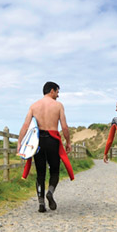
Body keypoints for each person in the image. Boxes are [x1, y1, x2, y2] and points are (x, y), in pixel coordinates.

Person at [18, 81, 73, 212]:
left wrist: (20, 142)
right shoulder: (58, 106)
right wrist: (68, 142)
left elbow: (25, 125)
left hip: (38, 142)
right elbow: (64, 127)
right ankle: (50, 192)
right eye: (57, 92)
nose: (58, 95)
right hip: (53, 140)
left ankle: (41, 203)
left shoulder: (34, 106)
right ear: (52, 91)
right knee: (54, 170)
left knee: (40, 172)